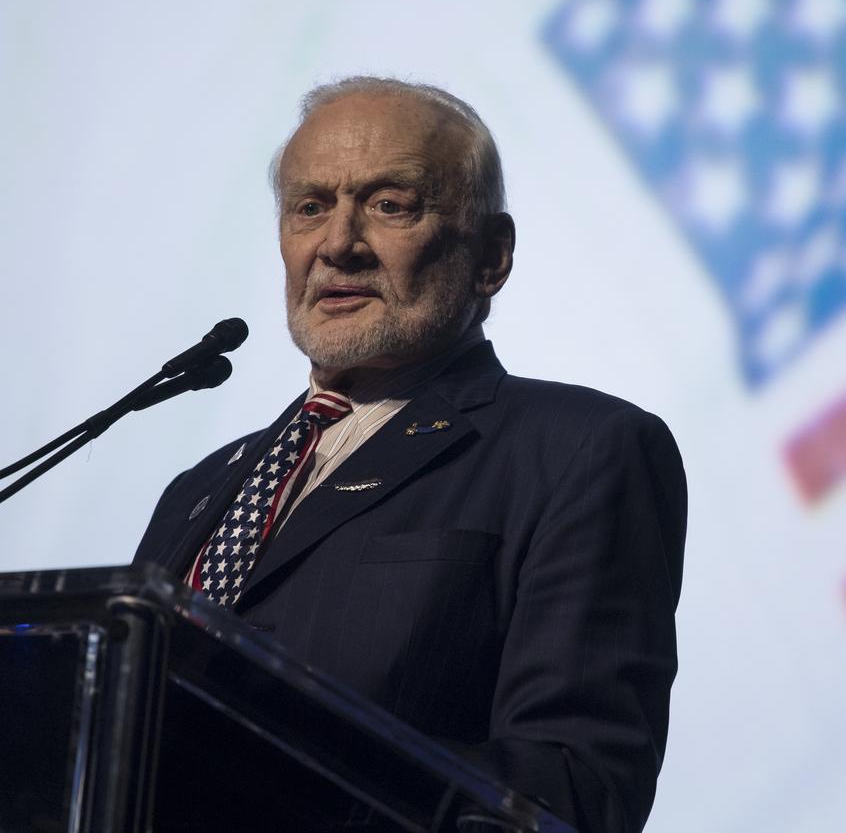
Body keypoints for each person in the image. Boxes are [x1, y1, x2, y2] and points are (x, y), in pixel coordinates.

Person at [133, 77, 687, 833]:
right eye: (309, 207)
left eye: (390, 204)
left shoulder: (581, 450)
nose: (337, 244)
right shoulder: (198, 492)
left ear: (491, 257)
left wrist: (274, 776)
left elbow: (574, 787)